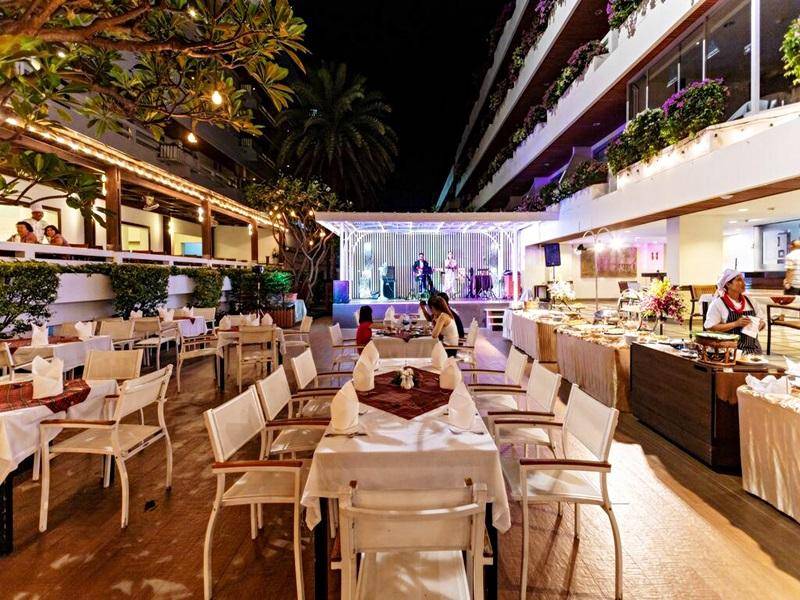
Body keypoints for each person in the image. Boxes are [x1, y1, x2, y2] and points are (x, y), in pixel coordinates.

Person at [704, 268, 766, 354]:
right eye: (739, 280)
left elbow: (762, 320)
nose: (743, 283)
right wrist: (735, 324)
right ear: (728, 284)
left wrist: (761, 324)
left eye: (743, 280)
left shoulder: (750, 301)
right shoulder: (718, 304)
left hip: (753, 349)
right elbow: (710, 326)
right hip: (729, 351)